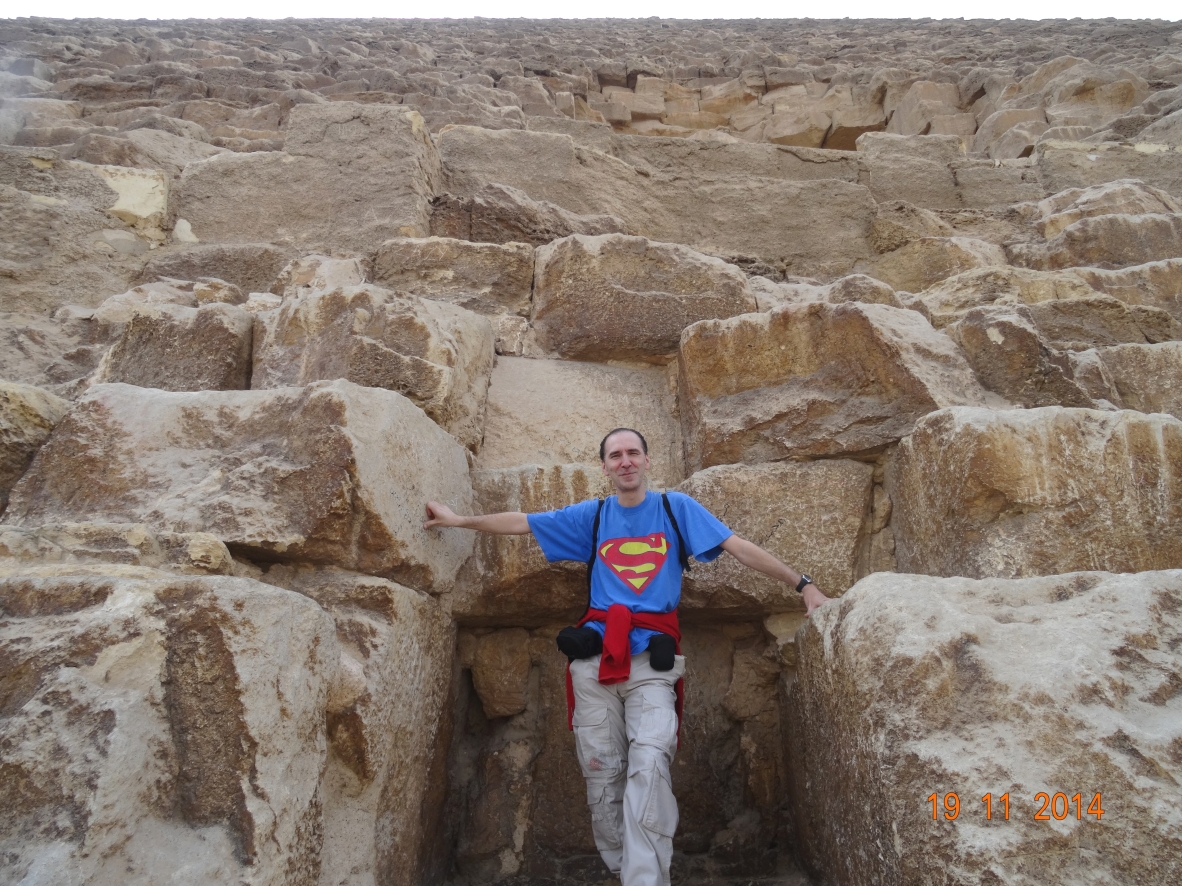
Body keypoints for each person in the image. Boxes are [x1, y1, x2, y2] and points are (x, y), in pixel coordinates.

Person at [424, 428, 827, 886]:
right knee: (601, 777)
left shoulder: (675, 509)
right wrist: (459, 521)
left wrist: (803, 585)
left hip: (651, 664)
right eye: (615, 455)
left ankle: (644, 880)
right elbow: (523, 522)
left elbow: (740, 548)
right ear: (605, 467)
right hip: (595, 663)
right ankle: (625, 871)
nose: (625, 461)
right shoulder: (594, 516)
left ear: (647, 460)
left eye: (633, 452)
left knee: (650, 765)